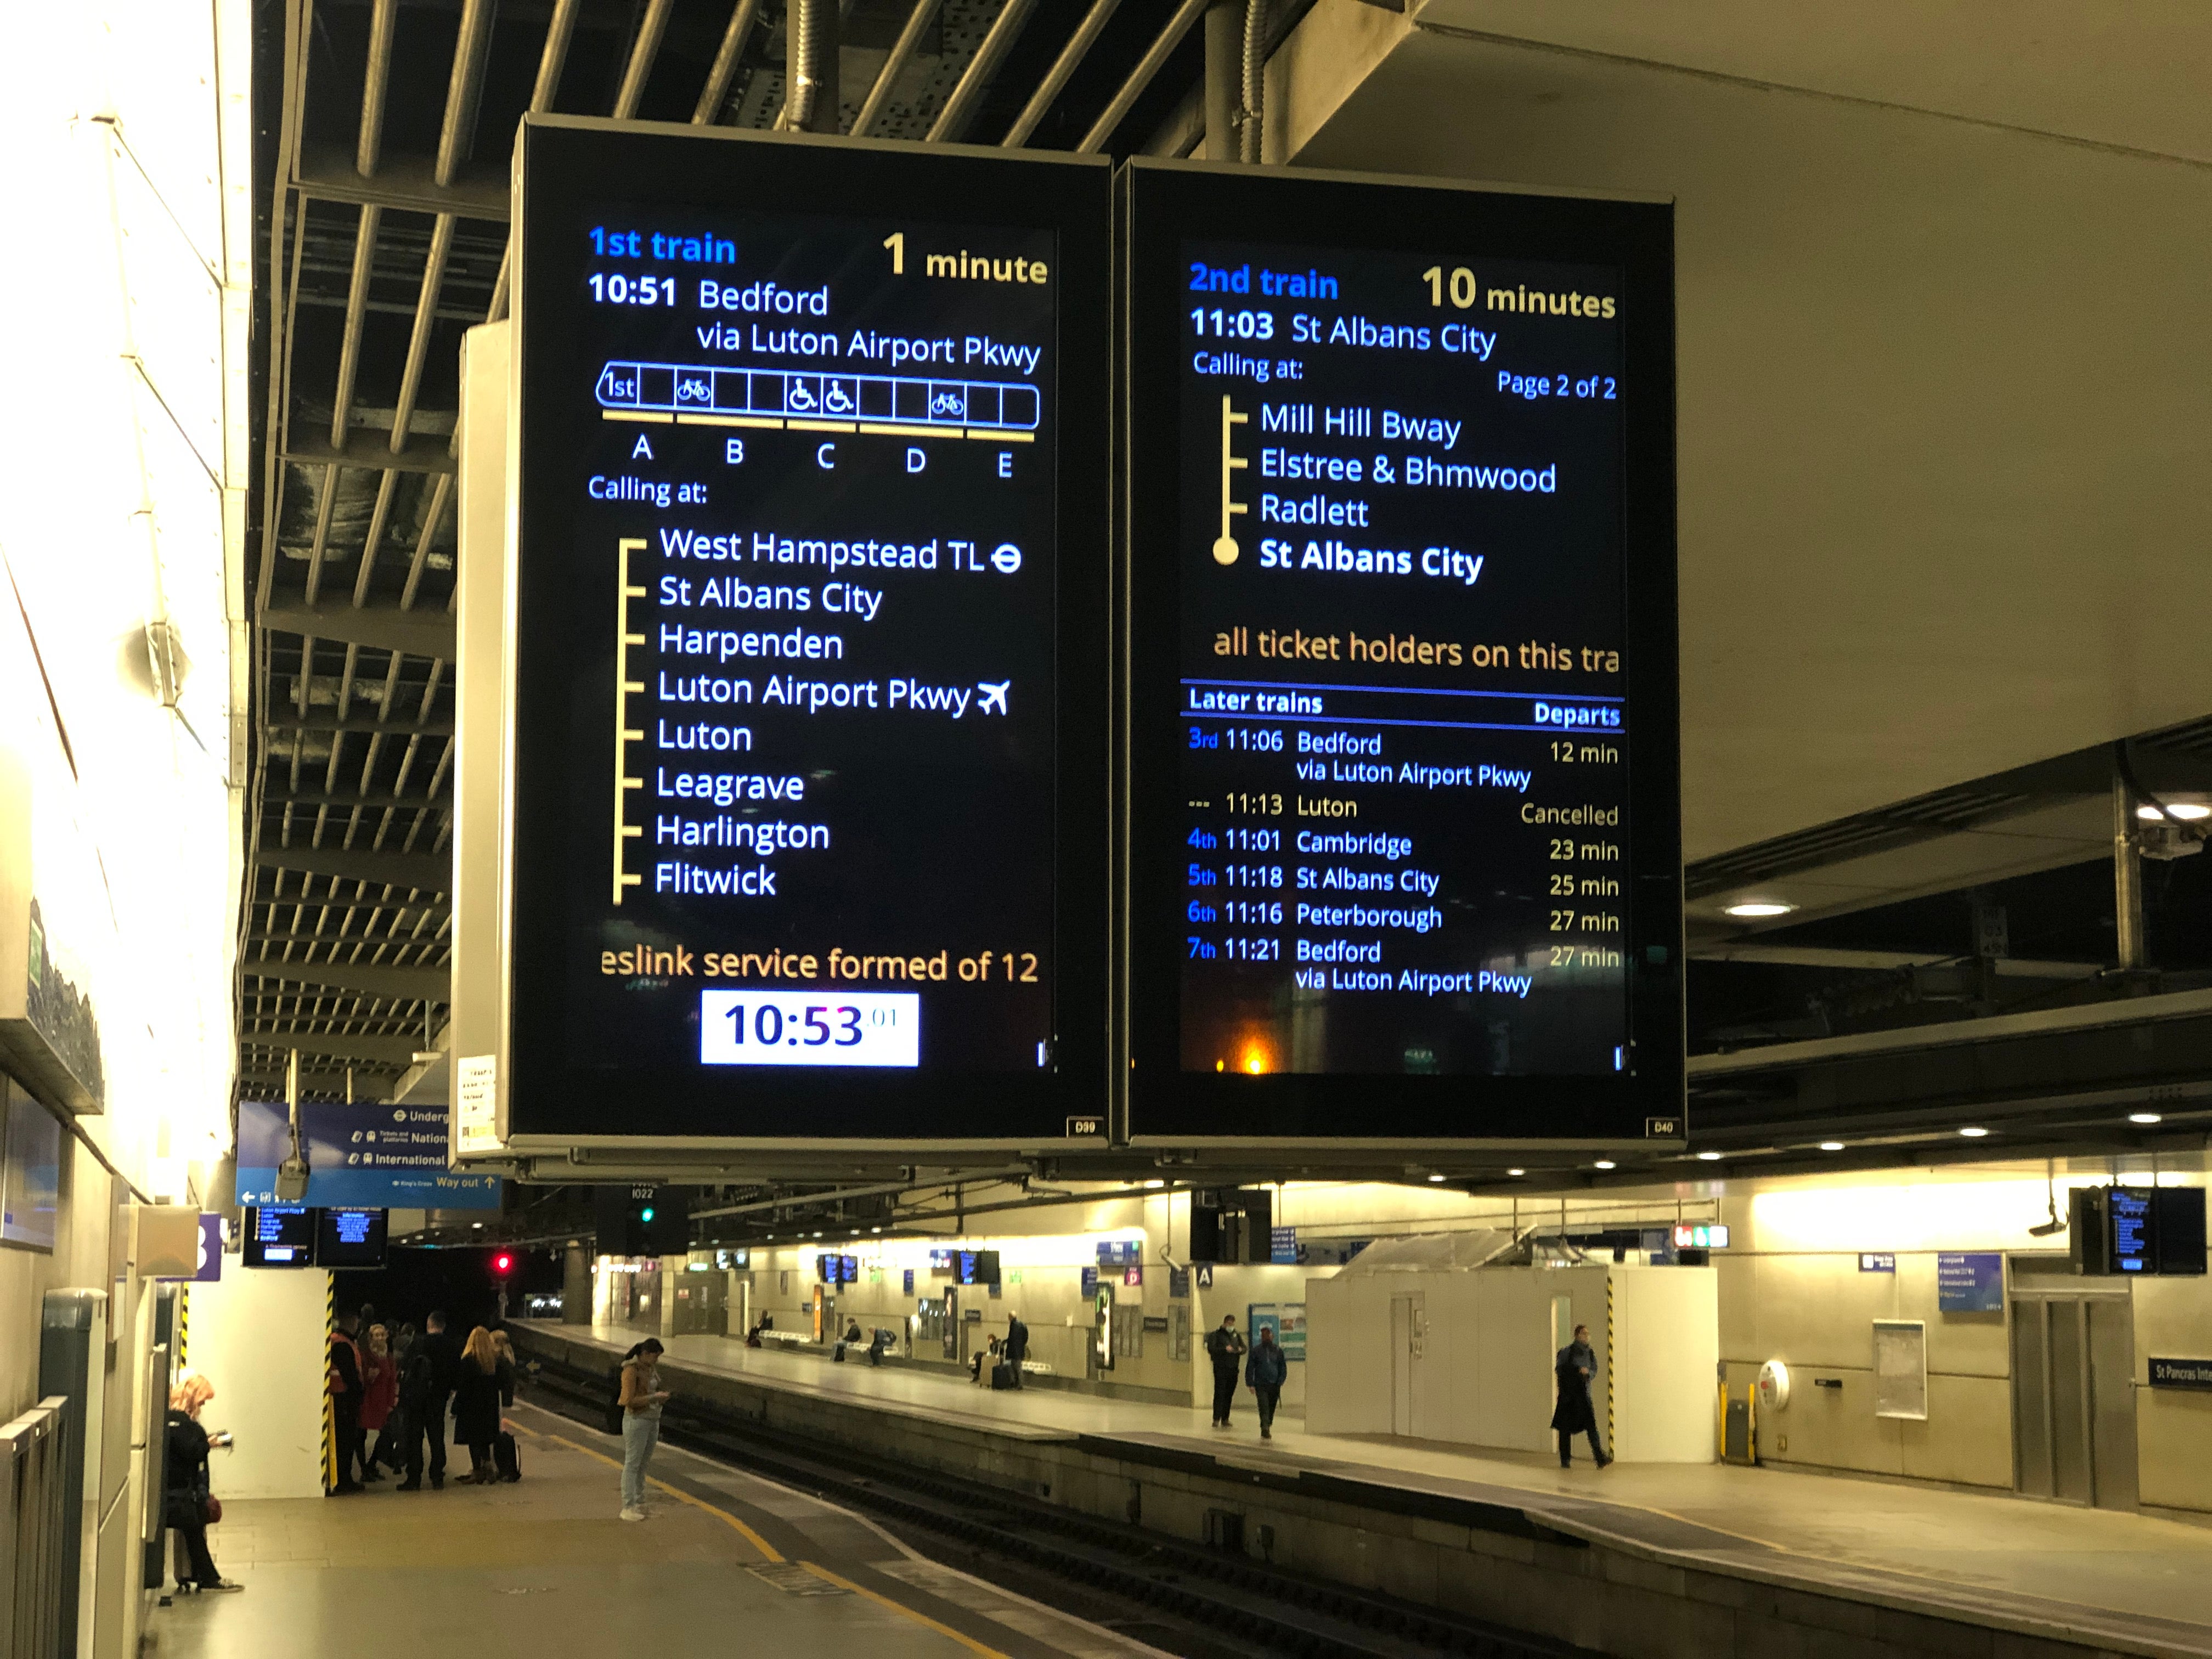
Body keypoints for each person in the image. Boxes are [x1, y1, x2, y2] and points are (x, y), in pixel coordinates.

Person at [164, 1374, 242, 1593]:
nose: (203, 1405)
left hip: (170, 1494)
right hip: (180, 1498)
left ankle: (202, 1576)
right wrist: (210, 1444)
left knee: (194, 1533)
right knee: (195, 1530)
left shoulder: (167, 1421)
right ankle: (208, 1578)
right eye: (203, 1400)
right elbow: (193, 1452)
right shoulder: (187, 1426)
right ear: (193, 1398)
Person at [403, 1310, 461, 1490]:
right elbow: (456, 1372)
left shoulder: (418, 1342)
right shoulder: (451, 1345)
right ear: (443, 1326)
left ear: (429, 1325)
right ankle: (437, 1476)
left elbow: (406, 1367)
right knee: (437, 1436)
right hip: (439, 1398)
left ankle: (414, 1478)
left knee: (415, 1437)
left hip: (417, 1398)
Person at [617, 1338, 671, 1521]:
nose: (657, 1360)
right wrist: (654, 1397)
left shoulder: (650, 1369)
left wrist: (658, 1397)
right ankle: (628, 1506)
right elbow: (627, 1400)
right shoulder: (630, 1371)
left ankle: (639, 1502)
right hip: (637, 1420)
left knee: (643, 1463)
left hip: (652, 1420)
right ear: (645, 1354)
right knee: (632, 1463)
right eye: (655, 1356)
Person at [1553, 1323, 1612, 1469]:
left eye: (1587, 1334)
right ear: (1577, 1335)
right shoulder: (1567, 1352)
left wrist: (1588, 1374)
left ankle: (1600, 1458)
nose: (1586, 1337)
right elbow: (1560, 1369)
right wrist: (1576, 1372)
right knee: (1565, 1429)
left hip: (1584, 1395)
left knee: (1591, 1427)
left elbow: (1594, 1370)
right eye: (1584, 1334)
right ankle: (1565, 1459)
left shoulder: (1590, 1353)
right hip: (1568, 1397)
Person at [451, 1327, 505, 1483]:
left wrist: (455, 1408)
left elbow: (463, 1388)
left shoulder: (468, 1361)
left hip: (472, 1408)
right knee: (485, 1439)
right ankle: (488, 1467)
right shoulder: (494, 1362)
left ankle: (477, 1471)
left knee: (473, 1441)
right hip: (490, 1408)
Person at [326, 1311, 366, 1493]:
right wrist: (360, 1391)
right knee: (345, 1442)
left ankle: (341, 1479)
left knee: (342, 1441)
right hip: (344, 1399)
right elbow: (350, 1374)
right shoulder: (343, 1344)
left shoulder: (336, 1340)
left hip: (338, 1397)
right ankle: (344, 1480)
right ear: (352, 1323)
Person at [359, 1324, 398, 1479]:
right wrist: (369, 1376)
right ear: (371, 1337)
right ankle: (364, 1470)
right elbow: (362, 1376)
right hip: (368, 1399)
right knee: (361, 1433)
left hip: (383, 1401)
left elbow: (392, 1380)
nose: (380, 1338)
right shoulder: (366, 1356)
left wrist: (391, 1402)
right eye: (377, 1335)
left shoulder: (388, 1357)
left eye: (382, 1335)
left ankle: (372, 1464)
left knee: (386, 1433)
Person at [1203, 1315, 1246, 1430]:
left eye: (1232, 1324)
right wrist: (1224, 1350)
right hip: (1221, 1368)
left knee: (1229, 1394)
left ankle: (1225, 1418)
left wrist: (1241, 1350)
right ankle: (1216, 1418)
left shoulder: (1236, 1335)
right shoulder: (1216, 1335)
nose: (1231, 1326)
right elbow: (1211, 1349)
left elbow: (1244, 1348)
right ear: (1225, 1323)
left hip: (1233, 1368)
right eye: (1229, 1324)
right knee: (1220, 1393)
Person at [1245, 1325, 1288, 1440]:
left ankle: (1268, 1423)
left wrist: (1281, 1379)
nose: (1267, 1337)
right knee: (1264, 1406)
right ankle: (1265, 1428)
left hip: (1274, 1384)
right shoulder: (1256, 1351)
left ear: (1272, 1336)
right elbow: (1250, 1368)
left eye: (1268, 1334)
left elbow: (1282, 1367)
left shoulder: (1278, 1351)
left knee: (1272, 1406)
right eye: (1265, 1335)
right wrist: (1251, 1383)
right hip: (1261, 1384)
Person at [1002, 1312, 1028, 1389]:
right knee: (1018, 1368)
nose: (1008, 1318)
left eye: (1009, 1317)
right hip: (1020, 1351)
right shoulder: (1023, 1325)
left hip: (1013, 1351)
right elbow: (1026, 1338)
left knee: (1012, 1367)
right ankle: (1018, 1384)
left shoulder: (1013, 1325)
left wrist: (1006, 1342)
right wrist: (1022, 1345)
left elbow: (1012, 1339)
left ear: (1011, 1317)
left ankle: (1015, 1383)